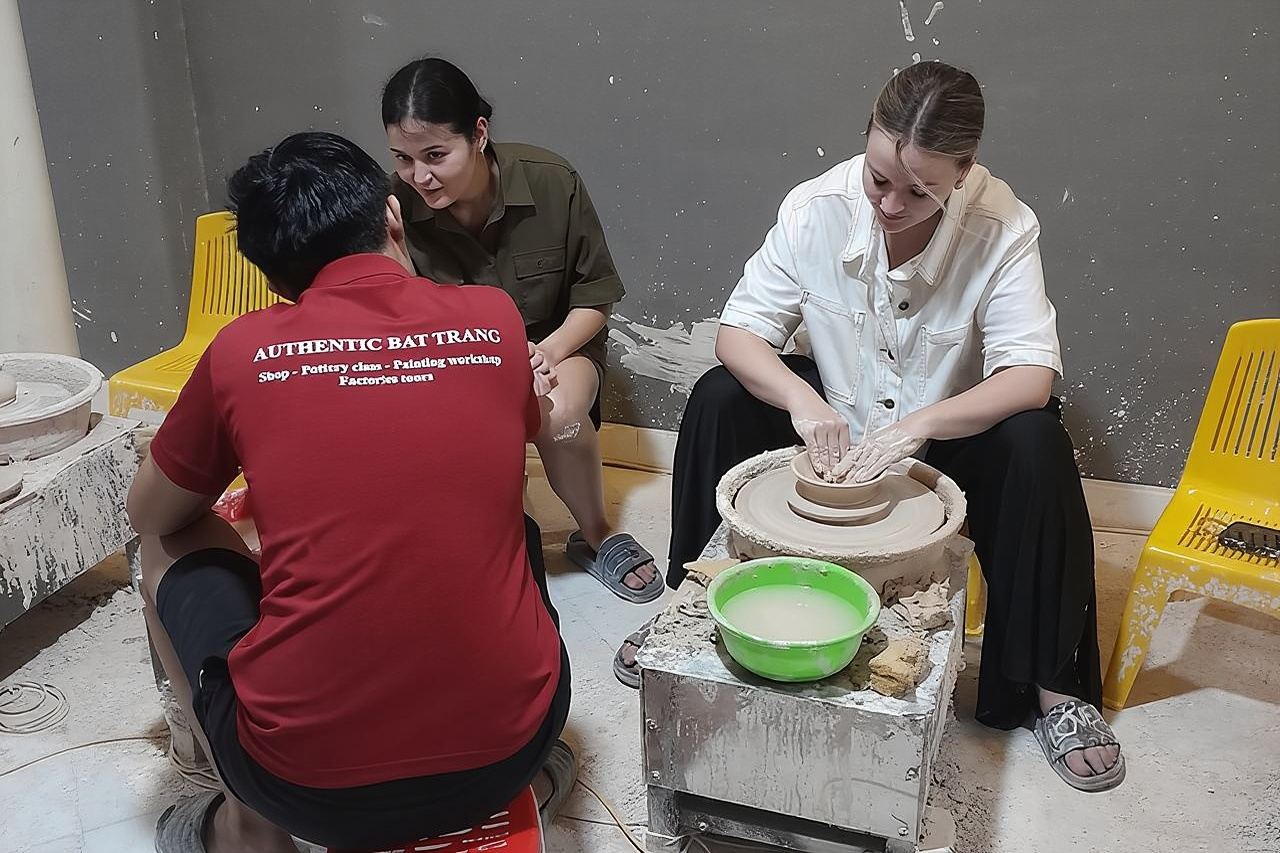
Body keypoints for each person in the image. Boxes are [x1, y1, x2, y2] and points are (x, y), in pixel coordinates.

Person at [622, 62, 1126, 792]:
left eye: (918, 190)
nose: (890, 203)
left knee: (1037, 441)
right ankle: (690, 604)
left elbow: (1030, 376)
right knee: (720, 396)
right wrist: (804, 402)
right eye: (879, 177)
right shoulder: (815, 206)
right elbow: (738, 333)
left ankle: (1054, 687)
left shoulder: (1003, 224)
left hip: (949, 424)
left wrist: (922, 423)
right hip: (839, 408)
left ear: (964, 169)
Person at [129, 131, 576, 852]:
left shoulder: (244, 348)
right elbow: (531, 422)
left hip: (305, 789)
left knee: (163, 543)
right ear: (392, 216)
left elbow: (149, 510)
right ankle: (524, 778)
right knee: (509, 519)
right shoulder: (492, 316)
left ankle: (249, 824)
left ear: (274, 282)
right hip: (512, 749)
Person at [381, 57, 663, 604]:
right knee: (456, 433)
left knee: (554, 420)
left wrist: (544, 353)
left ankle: (596, 533)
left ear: (479, 134)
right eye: (403, 158)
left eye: (436, 155)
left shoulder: (551, 182)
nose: (420, 176)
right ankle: (508, 537)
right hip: (456, 360)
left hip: (560, 346)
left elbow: (595, 299)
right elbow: (402, 323)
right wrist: (396, 258)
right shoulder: (394, 208)